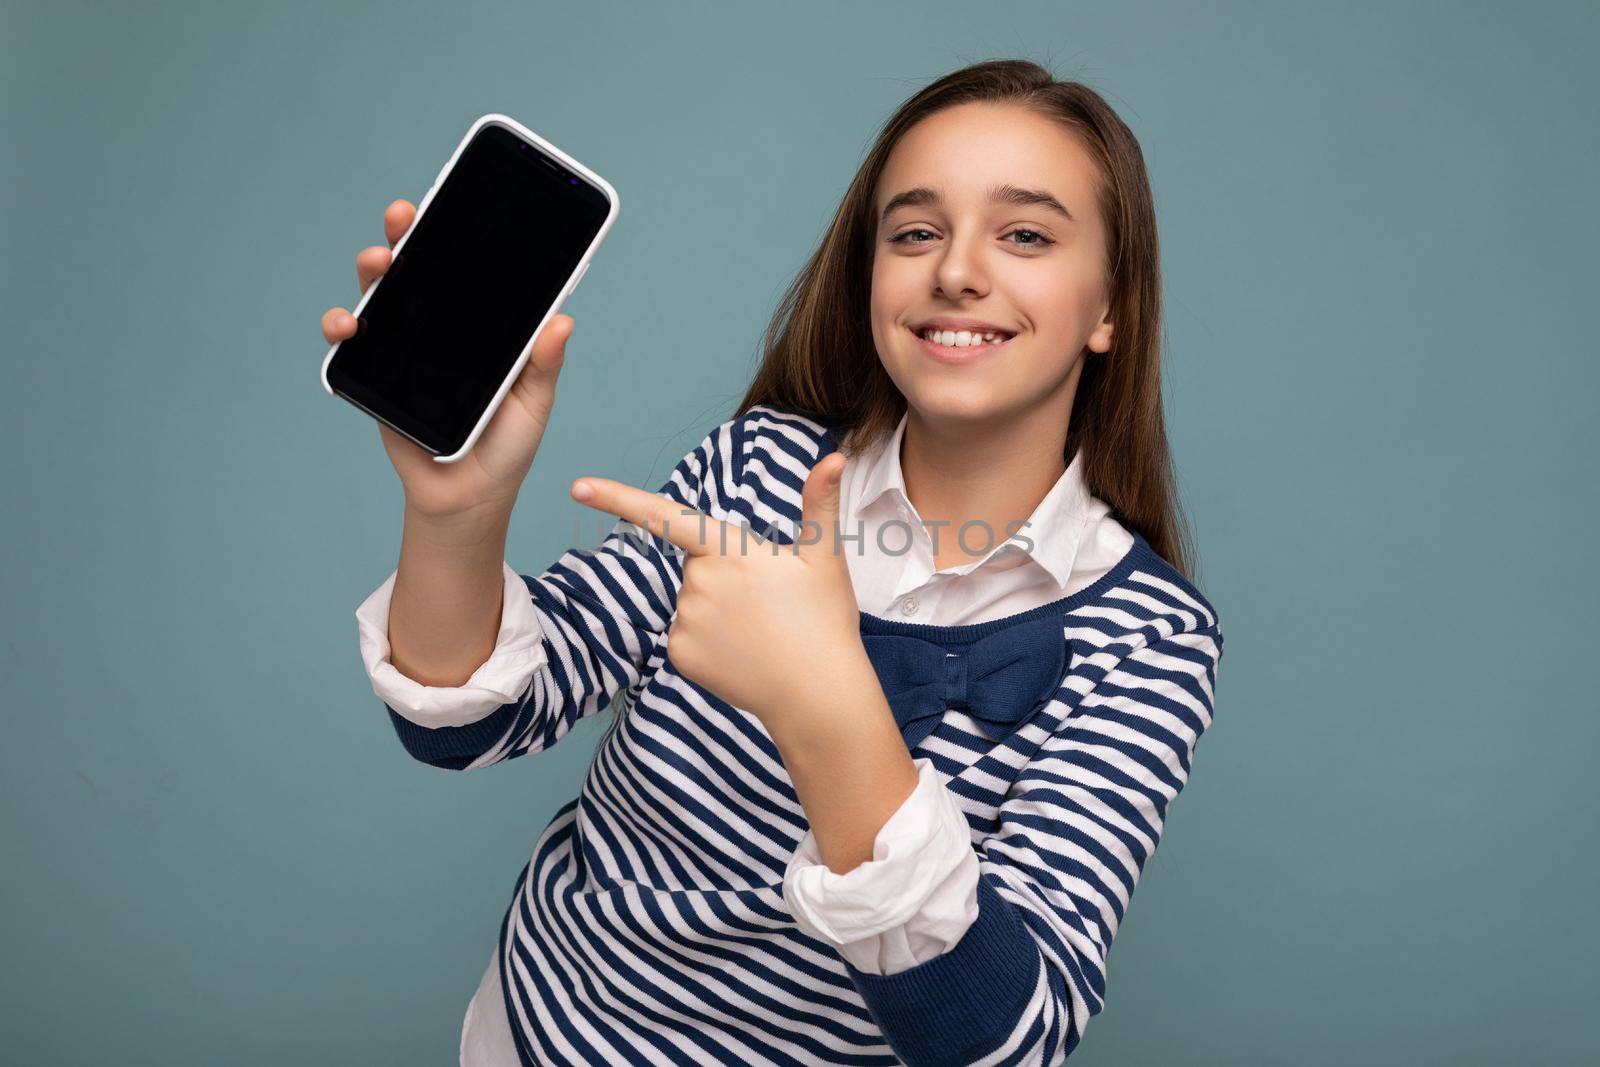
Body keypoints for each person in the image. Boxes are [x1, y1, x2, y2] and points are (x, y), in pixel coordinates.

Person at [323, 59, 1225, 1067]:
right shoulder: (755, 467)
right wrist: (456, 512)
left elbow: (1001, 1041)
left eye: (1024, 234)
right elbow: (470, 720)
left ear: (1110, 309)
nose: (956, 270)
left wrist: (824, 700)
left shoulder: (1150, 637)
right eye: (915, 231)